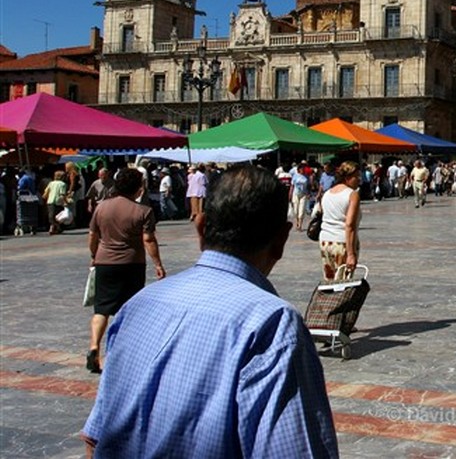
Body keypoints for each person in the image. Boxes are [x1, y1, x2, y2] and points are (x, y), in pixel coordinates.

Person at [80, 166, 338, 458]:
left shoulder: (138, 306)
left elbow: (95, 439)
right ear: (281, 240)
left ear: (200, 227)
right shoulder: (272, 325)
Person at [86, 167, 165, 374]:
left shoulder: (101, 208)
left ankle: (94, 346)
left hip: (105, 262)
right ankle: (121, 353)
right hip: (132, 264)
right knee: (128, 309)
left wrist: (94, 256)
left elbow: (93, 236)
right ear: (139, 188)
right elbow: (148, 240)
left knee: (101, 308)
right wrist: (158, 263)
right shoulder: (143, 211)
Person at [319, 161, 362, 283]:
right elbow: (349, 226)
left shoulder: (327, 193)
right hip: (342, 242)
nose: (359, 179)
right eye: (356, 176)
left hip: (325, 241)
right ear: (347, 177)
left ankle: (328, 302)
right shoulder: (352, 195)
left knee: (329, 281)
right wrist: (351, 254)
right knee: (343, 283)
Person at [42, 170, 68, 236]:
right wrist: (65, 202)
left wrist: (44, 197)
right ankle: (56, 227)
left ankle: (53, 228)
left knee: (51, 216)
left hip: (50, 201)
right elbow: (62, 194)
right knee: (56, 217)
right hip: (58, 202)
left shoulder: (51, 183)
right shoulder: (63, 184)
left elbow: (46, 193)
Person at [290, 163, 310, 231]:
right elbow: (292, 186)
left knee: (301, 211)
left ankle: (300, 225)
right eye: (301, 169)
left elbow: (308, 186)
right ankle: (297, 223)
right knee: (296, 210)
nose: (303, 170)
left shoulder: (306, 177)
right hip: (295, 194)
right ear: (299, 169)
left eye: (303, 169)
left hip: (303, 194)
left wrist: (308, 193)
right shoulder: (295, 176)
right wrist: (290, 194)